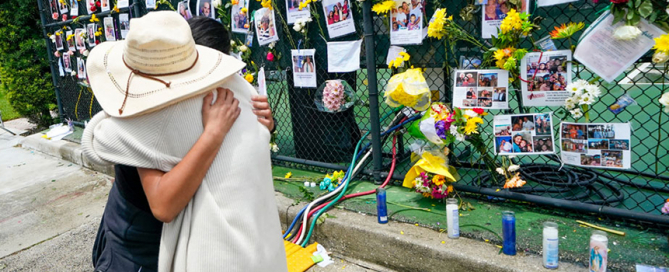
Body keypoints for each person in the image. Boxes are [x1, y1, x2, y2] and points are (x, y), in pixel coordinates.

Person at [86, 14, 281, 272]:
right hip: (138, 246)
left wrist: (261, 126)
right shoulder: (143, 108)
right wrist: (213, 134)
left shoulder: (219, 100)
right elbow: (163, 205)